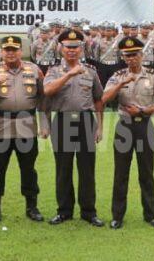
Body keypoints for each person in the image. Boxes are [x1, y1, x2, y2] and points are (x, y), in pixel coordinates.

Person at [104, 35, 154, 230]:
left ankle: (150, 215)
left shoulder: (153, 75)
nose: (131, 59)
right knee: (121, 173)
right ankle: (117, 216)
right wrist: (121, 83)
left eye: (135, 55)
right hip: (124, 127)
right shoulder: (118, 75)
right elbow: (104, 98)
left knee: (146, 173)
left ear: (142, 55)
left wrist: (142, 111)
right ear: (123, 57)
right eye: (127, 55)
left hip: (145, 126)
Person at [0, 34, 46, 224]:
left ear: (20, 51)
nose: (10, 53)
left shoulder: (33, 69)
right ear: (2, 52)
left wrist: (44, 123)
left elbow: (43, 97)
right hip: (2, 124)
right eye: (7, 50)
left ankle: (32, 207)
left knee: (28, 168)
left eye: (14, 49)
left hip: (27, 124)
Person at [43, 26, 105, 226]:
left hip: (86, 121)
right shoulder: (53, 71)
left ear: (81, 49)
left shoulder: (91, 72)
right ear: (61, 48)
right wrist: (69, 75)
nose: (71, 50)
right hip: (62, 121)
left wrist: (100, 126)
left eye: (75, 47)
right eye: (68, 47)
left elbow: (98, 99)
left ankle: (89, 211)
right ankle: (64, 211)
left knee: (87, 168)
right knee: (63, 168)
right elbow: (48, 91)